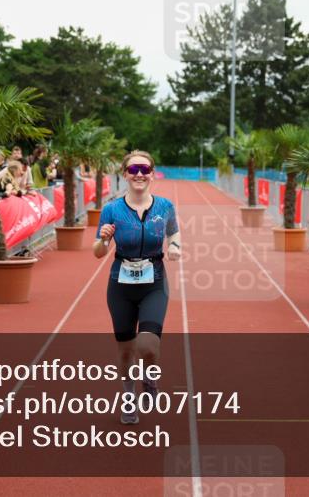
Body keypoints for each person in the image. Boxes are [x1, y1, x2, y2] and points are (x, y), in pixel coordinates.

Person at [93, 150, 181, 425]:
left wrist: (175, 246)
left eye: (144, 169)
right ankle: (129, 396)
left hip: (154, 282)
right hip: (120, 285)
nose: (139, 174)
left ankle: (150, 376)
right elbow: (97, 251)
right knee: (125, 350)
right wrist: (103, 239)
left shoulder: (165, 207)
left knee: (148, 346)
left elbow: (173, 232)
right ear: (125, 174)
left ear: (152, 174)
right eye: (133, 170)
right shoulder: (112, 210)